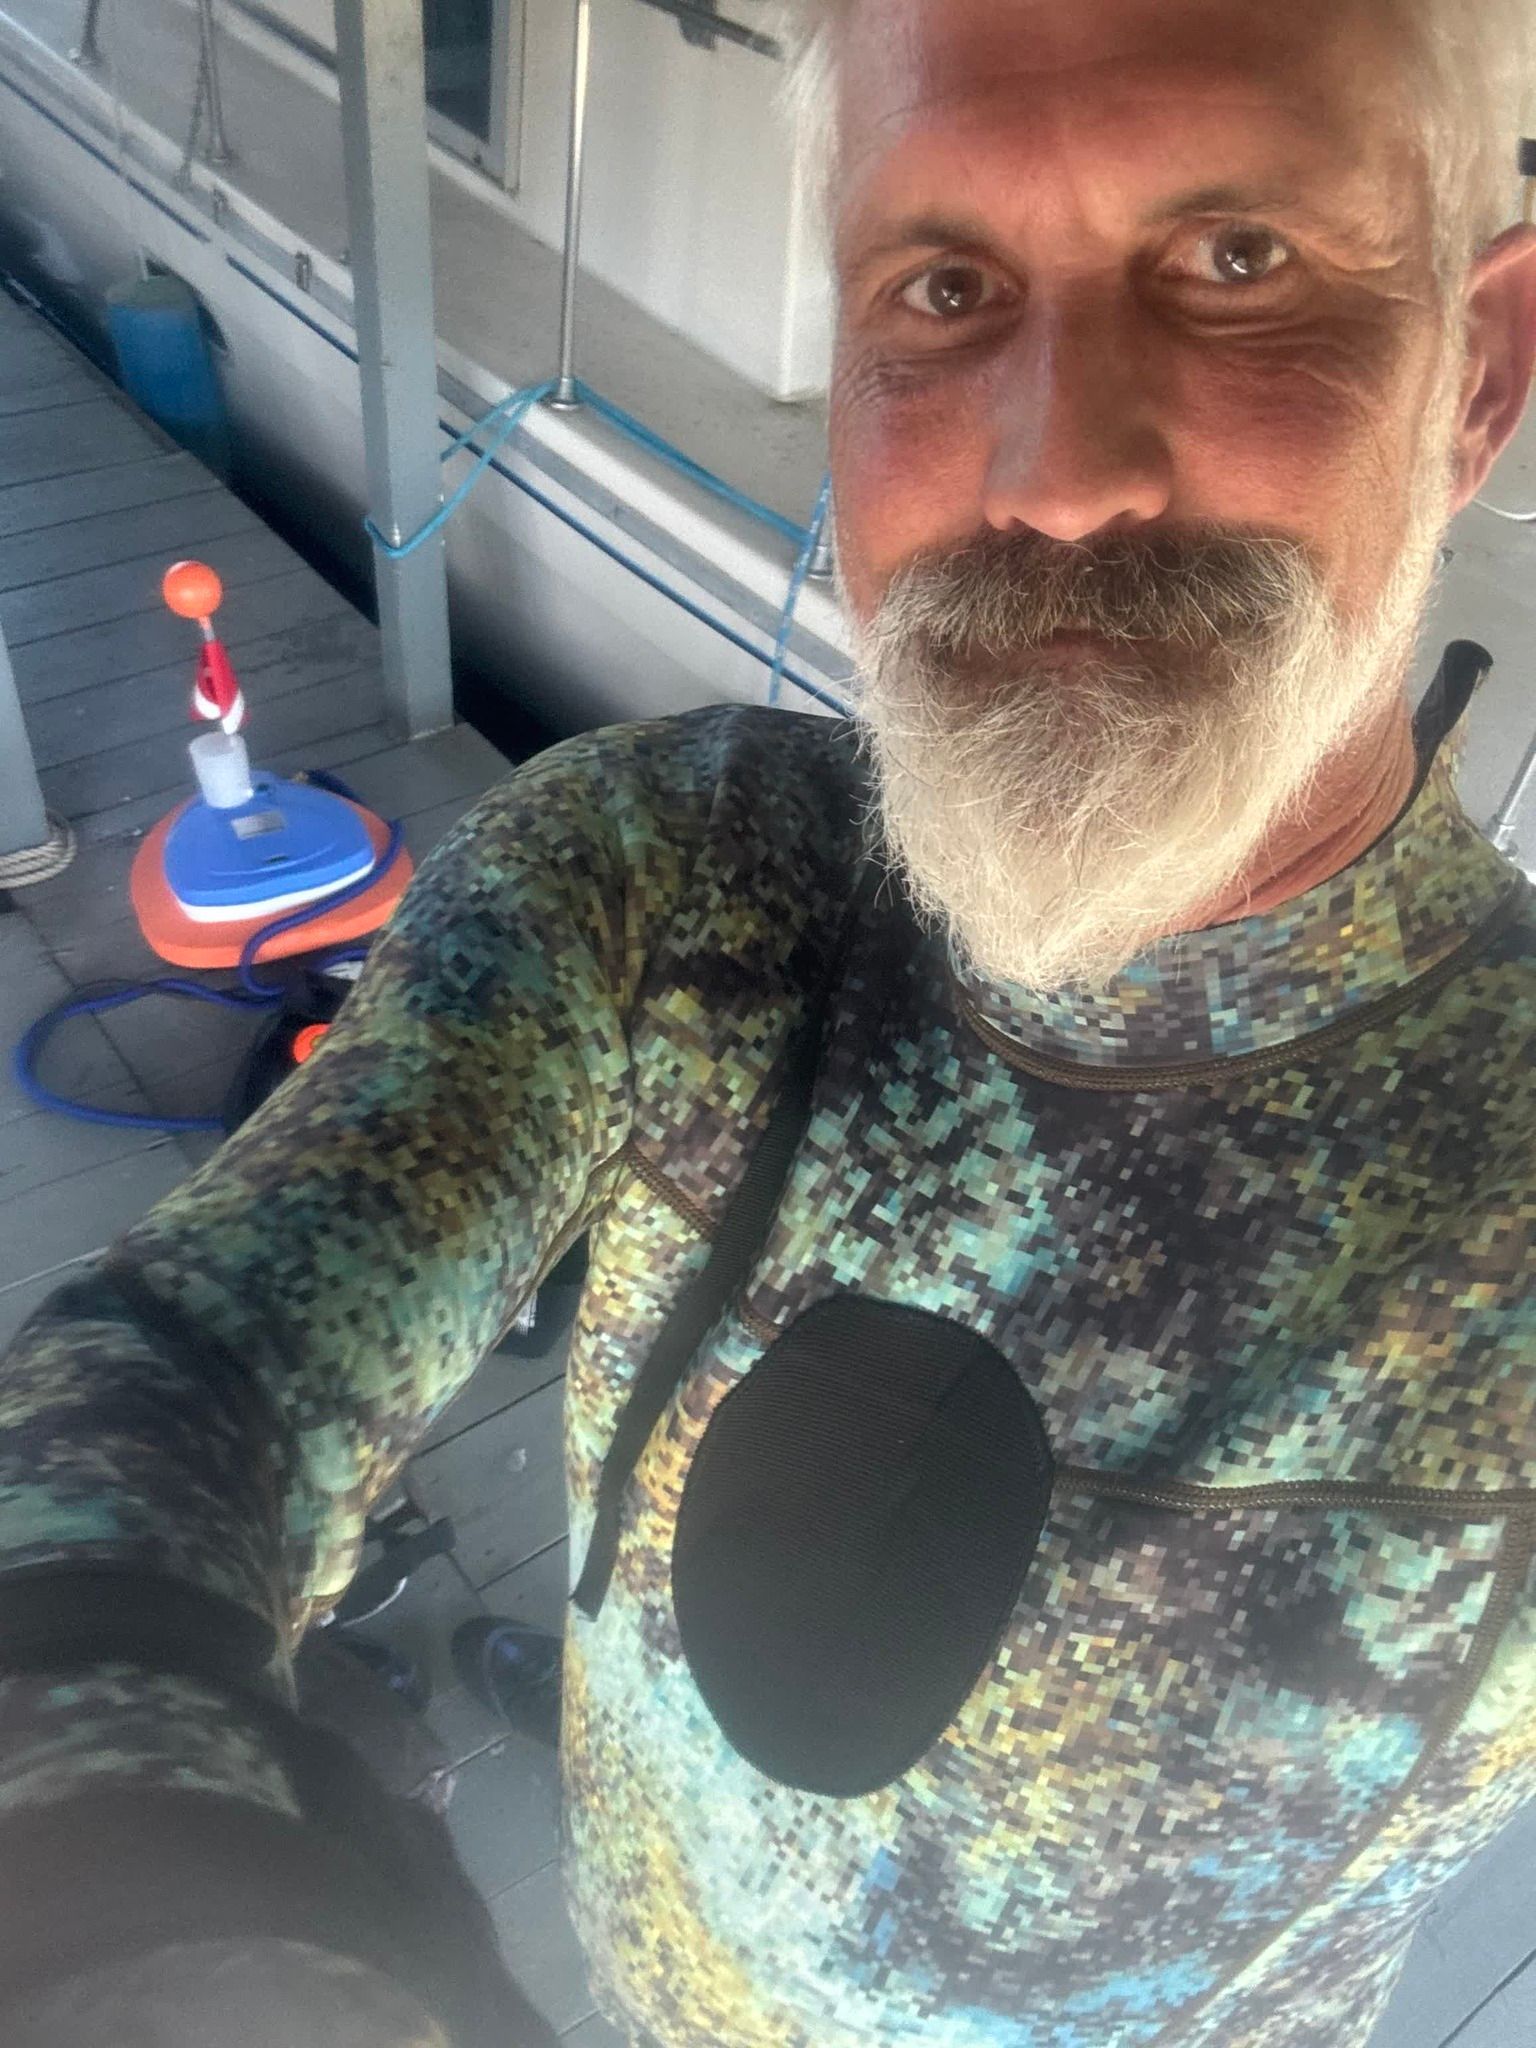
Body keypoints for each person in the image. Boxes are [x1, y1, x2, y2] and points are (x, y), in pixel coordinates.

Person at [3, 0, 1536, 2043]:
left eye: (1234, 262)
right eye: (947, 285)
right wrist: (134, 1897)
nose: (1056, 473)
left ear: (1480, 373)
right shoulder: (673, 868)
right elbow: (201, 1363)